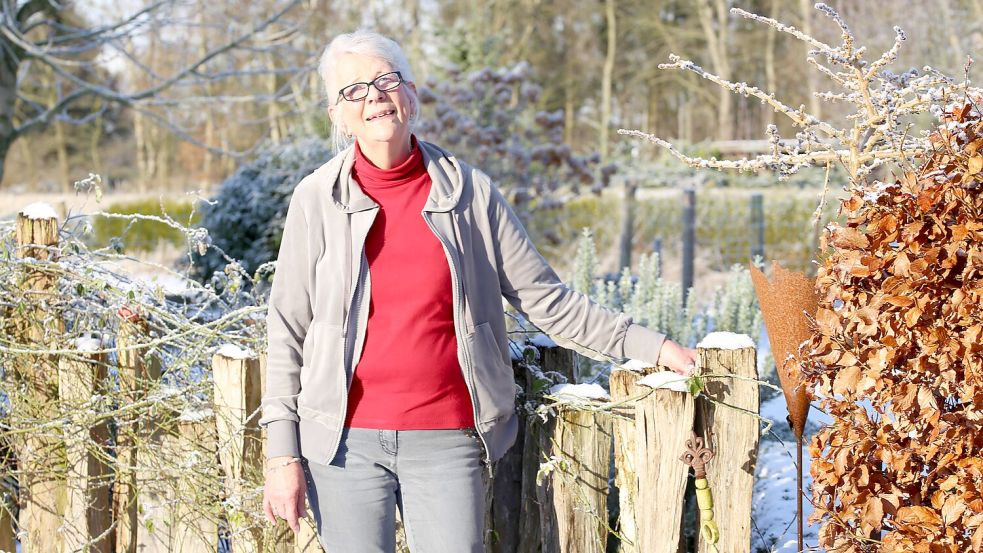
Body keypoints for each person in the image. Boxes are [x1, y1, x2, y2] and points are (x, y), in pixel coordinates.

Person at [259, 29, 698, 553]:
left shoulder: (469, 193)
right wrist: (283, 456)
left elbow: (546, 300)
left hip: (447, 438)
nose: (373, 95)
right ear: (336, 113)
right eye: (353, 89)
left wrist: (654, 346)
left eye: (385, 79)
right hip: (342, 446)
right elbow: (287, 331)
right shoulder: (315, 199)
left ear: (411, 93)